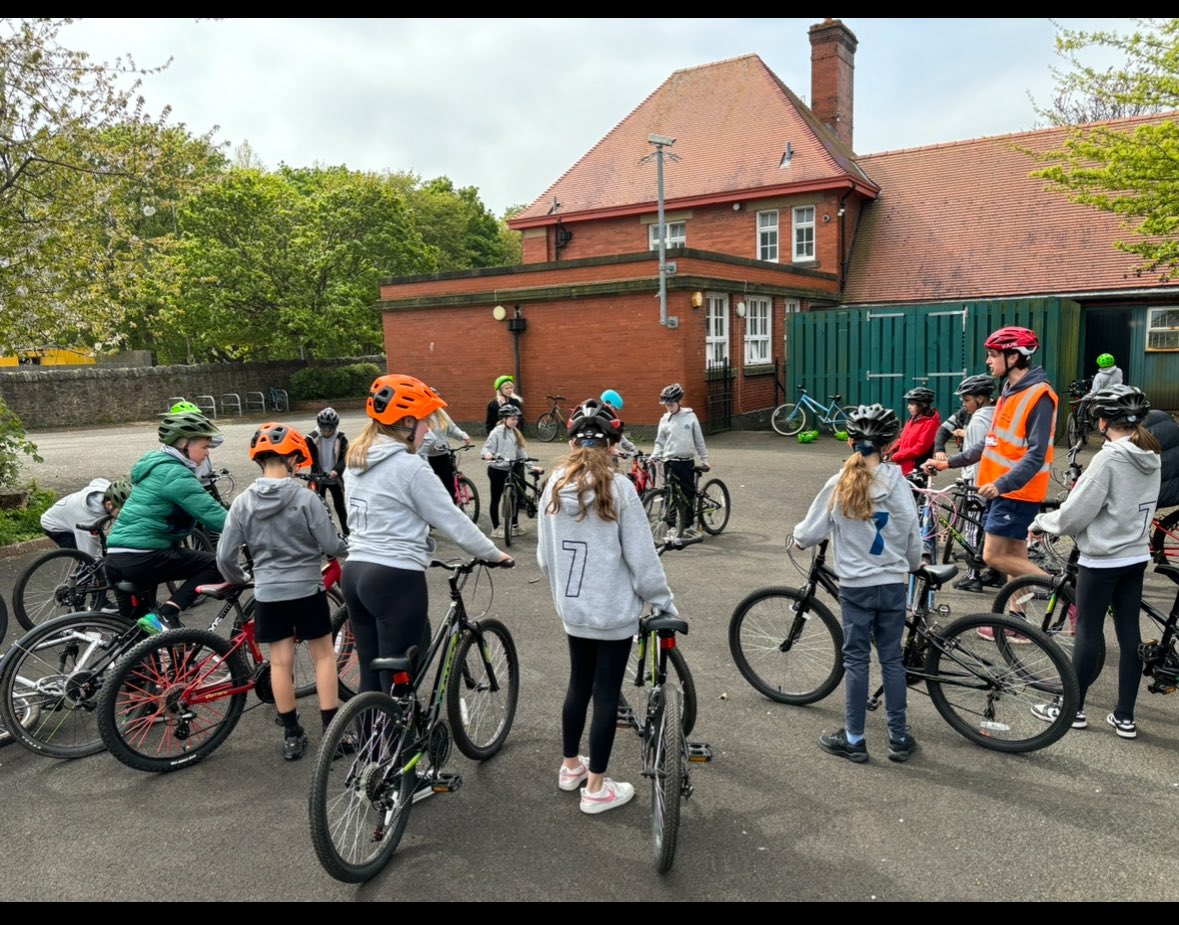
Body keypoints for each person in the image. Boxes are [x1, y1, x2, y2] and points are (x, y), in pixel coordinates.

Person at [342, 374, 512, 797]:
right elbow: (451, 519)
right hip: (394, 578)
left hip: (356, 572)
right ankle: (400, 779)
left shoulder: (355, 457)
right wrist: (494, 553)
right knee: (402, 680)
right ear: (406, 424)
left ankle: (371, 762)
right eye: (424, 422)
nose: (429, 429)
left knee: (371, 674)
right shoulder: (408, 466)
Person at [538, 398, 678, 813]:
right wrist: (663, 601)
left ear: (571, 441)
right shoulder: (619, 489)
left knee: (577, 685)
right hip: (613, 613)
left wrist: (564, 594)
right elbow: (641, 558)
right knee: (605, 693)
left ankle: (570, 767)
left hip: (574, 609)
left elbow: (545, 557)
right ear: (613, 443)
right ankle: (596, 788)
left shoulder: (554, 483)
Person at [794, 404, 923, 764]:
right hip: (892, 584)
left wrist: (797, 538)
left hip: (855, 587)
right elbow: (913, 535)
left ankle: (854, 739)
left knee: (857, 661)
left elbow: (810, 532)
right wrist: (912, 564)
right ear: (891, 443)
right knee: (892, 659)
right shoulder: (899, 485)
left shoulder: (838, 484)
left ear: (850, 442)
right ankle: (898, 738)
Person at [1029, 386, 1161, 739]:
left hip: (1102, 560)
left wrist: (1041, 523)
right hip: (1135, 556)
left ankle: (1072, 710)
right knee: (1129, 632)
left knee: (1088, 631)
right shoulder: (1152, 453)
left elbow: (1075, 514)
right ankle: (1125, 717)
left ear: (1102, 421)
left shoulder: (1109, 458)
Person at [215, 422, 349, 761]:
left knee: (279, 661)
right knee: (323, 656)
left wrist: (244, 576)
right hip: (307, 588)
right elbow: (332, 544)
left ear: (260, 460)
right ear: (291, 459)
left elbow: (224, 557)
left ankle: (292, 734)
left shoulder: (243, 503)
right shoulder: (306, 498)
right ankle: (333, 735)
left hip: (268, 592)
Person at [927, 327, 1058, 632]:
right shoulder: (1009, 393)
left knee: (993, 555)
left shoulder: (1039, 395)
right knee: (1015, 557)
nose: (988, 361)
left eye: (992, 355)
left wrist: (1002, 484)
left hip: (1016, 491)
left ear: (1013, 357)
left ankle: (1066, 594)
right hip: (1005, 490)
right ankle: (1017, 622)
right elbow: (989, 444)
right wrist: (948, 462)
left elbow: (1037, 454)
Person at [104, 410, 228, 635]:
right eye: (204, 446)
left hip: (116, 558)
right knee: (217, 564)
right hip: (143, 557)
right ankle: (168, 612)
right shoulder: (175, 474)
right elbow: (213, 515)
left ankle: (127, 669)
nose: (207, 453)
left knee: (137, 637)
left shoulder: (157, 468)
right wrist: (255, 532)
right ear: (183, 445)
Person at [929, 374, 999, 592]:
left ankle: (972, 576)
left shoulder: (978, 420)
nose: (964, 404)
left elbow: (978, 456)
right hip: (992, 480)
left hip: (977, 482)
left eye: (967, 399)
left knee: (972, 530)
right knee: (987, 531)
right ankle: (996, 573)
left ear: (980, 398)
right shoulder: (996, 414)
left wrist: (976, 488)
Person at [651, 383, 709, 540]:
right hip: (670, 462)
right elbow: (660, 441)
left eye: (671, 404)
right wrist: (655, 455)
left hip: (686, 462)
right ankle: (671, 527)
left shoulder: (690, 417)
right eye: (666, 405)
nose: (669, 407)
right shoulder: (664, 420)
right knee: (670, 495)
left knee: (688, 494)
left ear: (679, 402)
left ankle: (689, 525)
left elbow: (699, 439)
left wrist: (704, 458)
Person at [482, 403, 542, 538]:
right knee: (495, 498)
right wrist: (488, 454)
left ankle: (514, 526)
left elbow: (521, 453)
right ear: (504, 419)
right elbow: (486, 448)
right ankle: (496, 527)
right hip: (497, 469)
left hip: (511, 468)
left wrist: (531, 466)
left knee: (514, 497)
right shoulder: (496, 432)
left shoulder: (515, 432)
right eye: (512, 419)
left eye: (516, 419)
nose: (515, 421)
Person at [40, 477, 123, 557]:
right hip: (54, 525)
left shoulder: (107, 492)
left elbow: (98, 480)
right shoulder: (88, 519)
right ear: (109, 505)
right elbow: (90, 552)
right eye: (120, 511)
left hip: (66, 511)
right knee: (87, 559)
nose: (123, 513)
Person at [164, 401, 227, 503]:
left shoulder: (199, 436)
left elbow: (219, 439)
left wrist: (204, 425)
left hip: (206, 481)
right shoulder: (173, 441)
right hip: (191, 484)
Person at [418, 397, 473, 503]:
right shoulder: (422, 415)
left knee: (450, 486)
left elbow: (452, 428)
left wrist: (463, 436)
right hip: (428, 457)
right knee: (430, 487)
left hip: (443, 455)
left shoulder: (440, 414)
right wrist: (428, 446)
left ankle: (452, 510)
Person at [307, 407, 350, 536]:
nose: (327, 432)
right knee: (318, 508)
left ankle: (347, 533)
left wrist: (336, 470)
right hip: (318, 476)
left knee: (340, 507)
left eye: (330, 429)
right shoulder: (311, 438)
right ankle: (324, 535)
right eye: (324, 429)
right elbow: (302, 454)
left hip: (334, 478)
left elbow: (345, 458)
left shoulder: (341, 438)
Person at [885, 387, 940, 476]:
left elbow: (920, 448)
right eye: (909, 404)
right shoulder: (912, 419)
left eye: (912, 404)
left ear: (923, 405)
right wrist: (891, 450)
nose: (908, 407)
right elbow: (902, 439)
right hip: (904, 465)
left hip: (916, 468)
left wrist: (897, 455)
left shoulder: (930, 423)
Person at [600, 389, 638, 456]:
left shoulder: (611, 420)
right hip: (602, 459)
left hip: (612, 459)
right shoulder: (598, 420)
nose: (614, 411)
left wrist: (633, 449)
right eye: (614, 408)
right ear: (607, 403)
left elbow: (620, 437)